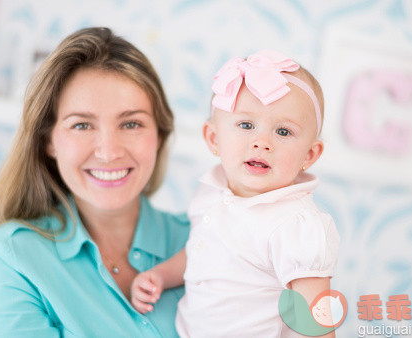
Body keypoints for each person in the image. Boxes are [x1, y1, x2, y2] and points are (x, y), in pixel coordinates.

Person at [0, 27, 189, 337]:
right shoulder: (17, 255)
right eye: (81, 125)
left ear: (159, 135)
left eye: (131, 123)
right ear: (49, 140)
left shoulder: (211, 239)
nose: (109, 152)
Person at [130, 50, 340, 337]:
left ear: (310, 154)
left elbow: (315, 321)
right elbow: (200, 251)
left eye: (283, 132)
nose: (262, 142)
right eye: (246, 125)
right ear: (214, 139)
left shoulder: (295, 224)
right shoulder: (212, 194)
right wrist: (161, 275)